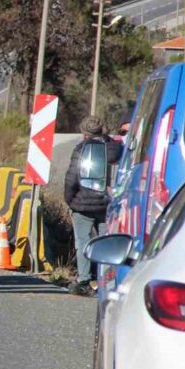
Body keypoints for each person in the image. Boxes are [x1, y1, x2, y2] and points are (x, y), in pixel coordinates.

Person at [64, 116, 121, 297]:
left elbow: (71, 178)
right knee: (105, 244)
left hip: (82, 204)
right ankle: (106, 281)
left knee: (83, 242)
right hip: (107, 204)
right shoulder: (115, 149)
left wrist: (70, 200)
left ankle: (84, 280)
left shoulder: (81, 150)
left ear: (84, 133)